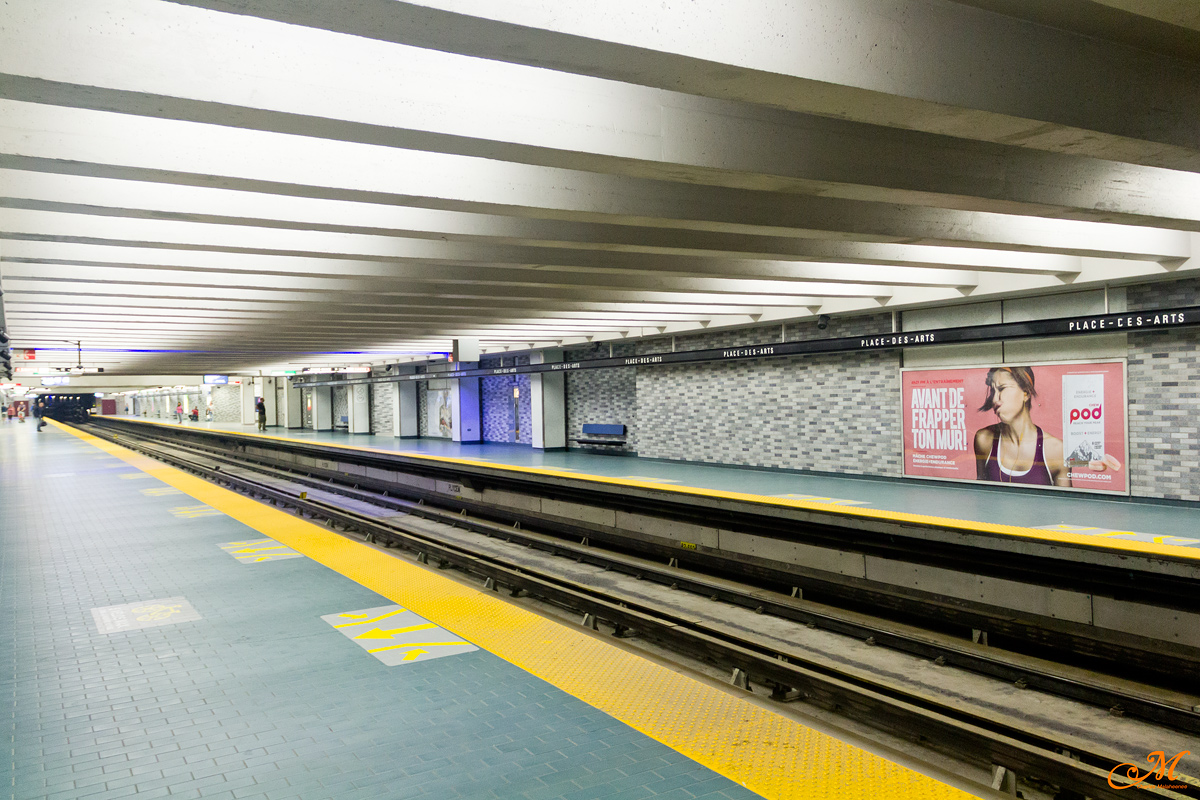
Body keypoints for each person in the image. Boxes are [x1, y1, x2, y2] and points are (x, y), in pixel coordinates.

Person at [973, 367, 1069, 487]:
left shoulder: (1056, 450)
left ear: (1026, 393)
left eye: (1002, 389)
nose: (994, 399)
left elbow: (1066, 503)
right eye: (993, 391)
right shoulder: (984, 440)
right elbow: (981, 495)